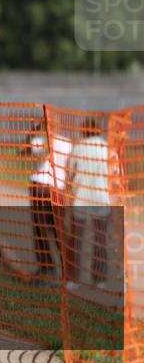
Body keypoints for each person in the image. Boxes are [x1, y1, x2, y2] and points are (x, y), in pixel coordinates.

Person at [65, 118, 112, 291]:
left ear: (83, 130)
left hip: (81, 198)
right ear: (99, 130)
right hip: (101, 198)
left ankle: (73, 280)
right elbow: (113, 174)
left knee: (76, 239)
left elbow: (69, 174)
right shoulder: (106, 147)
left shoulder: (78, 147)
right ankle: (100, 279)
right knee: (100, 239)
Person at [28, 120, 72, 279]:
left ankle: (47, 266)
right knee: (59, 228)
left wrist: (32, 133)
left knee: (41, 227)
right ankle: (68, 267)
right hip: (58, 189)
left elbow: (24, 150)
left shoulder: (39, 141)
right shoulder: (67, 144)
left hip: (40, 187)